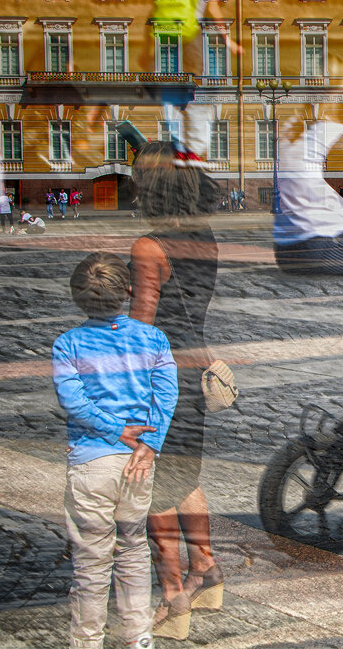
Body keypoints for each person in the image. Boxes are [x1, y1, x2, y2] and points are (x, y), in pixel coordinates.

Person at [53, 252, 178, 649]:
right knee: (134, 548)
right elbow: (167, 394)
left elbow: (72, 401)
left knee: (91, 560)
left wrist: (113, 430)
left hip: (91, 461)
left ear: (77, 297)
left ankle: (87, 641)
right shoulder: (153, 338)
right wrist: (148, 444)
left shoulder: (68, 344)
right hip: (137, 462)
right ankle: (138, 637)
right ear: (128, 291)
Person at [128, 141, 224, 639]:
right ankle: (206, 571)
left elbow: (144, 329)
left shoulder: (149, 247)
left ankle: (173, 600)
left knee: (155, 491)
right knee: (185, 477)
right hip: (196, 367)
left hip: (160, 378)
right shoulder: (204, 237)